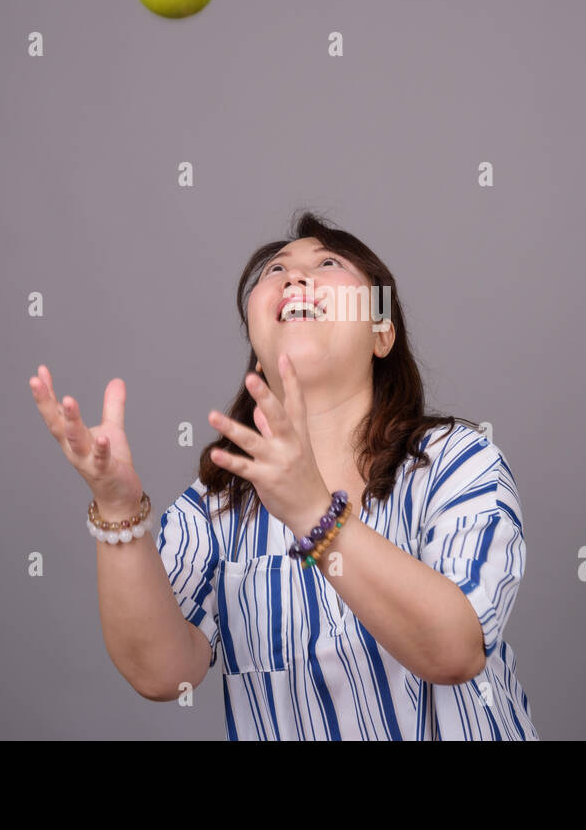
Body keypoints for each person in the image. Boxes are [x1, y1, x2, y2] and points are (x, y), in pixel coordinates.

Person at [29, 210, 538, 740]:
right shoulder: (216, 505)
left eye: (328, 263)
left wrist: (313, 513)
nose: (294, 276)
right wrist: (117, 510)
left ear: (381, 332)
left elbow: (455, 651)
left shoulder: (455, 461)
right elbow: (160, 673)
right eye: (275, 270)